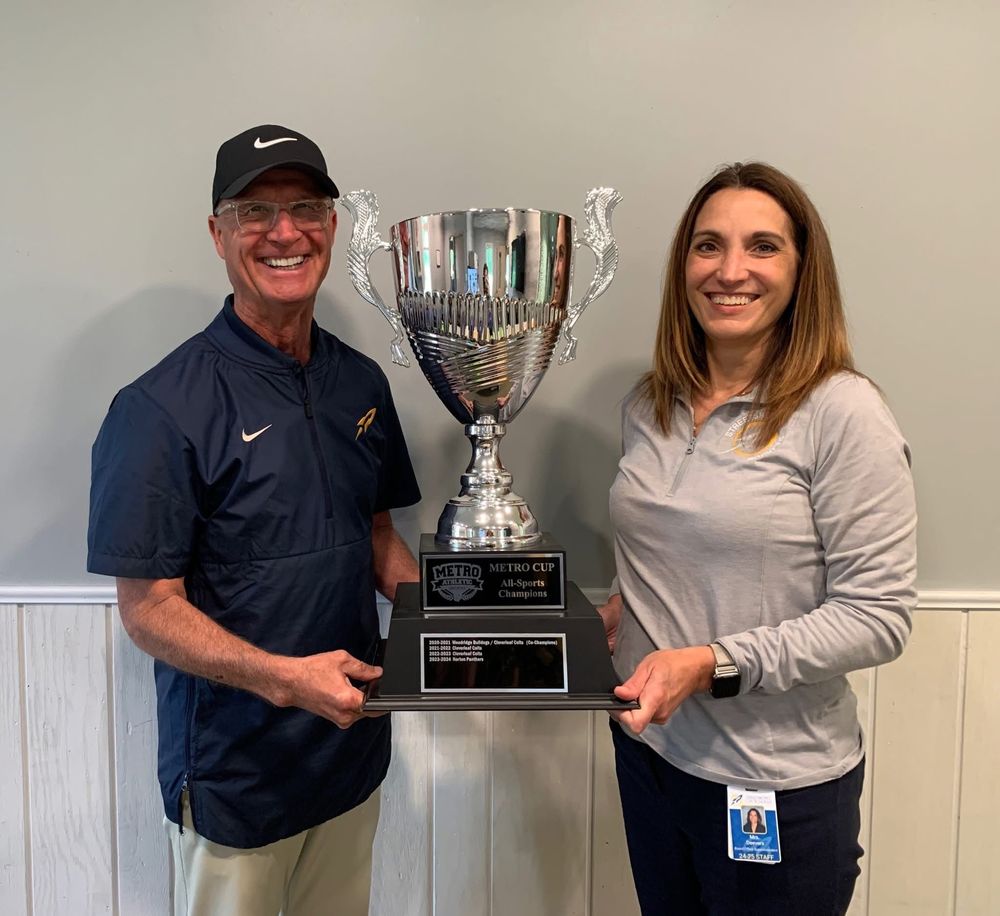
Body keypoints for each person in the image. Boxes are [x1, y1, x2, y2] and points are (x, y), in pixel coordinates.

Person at [87, 124, 421, 916]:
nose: (284, 232)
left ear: (331, 225)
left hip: (348, 758)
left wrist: (459, 635)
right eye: (253, 211)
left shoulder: (361, 382)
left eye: (305, 206)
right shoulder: (158, 408)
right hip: (237, 780)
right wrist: (282, 679)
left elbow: (377, 539)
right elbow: (148, 610)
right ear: (218, 233)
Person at [600, 162, 917, 916]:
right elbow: (677, 553)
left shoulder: (844, 414)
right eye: (708, 246)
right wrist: (614, 614)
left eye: (763, 246)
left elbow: (879, 617)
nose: (730, 270)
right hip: (652, 755)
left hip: (772, 782)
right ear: (685, 266)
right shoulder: (651, 405)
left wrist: (712, 663)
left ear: (803, 271)